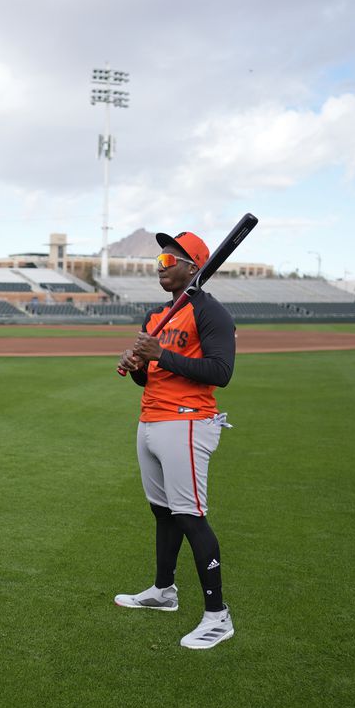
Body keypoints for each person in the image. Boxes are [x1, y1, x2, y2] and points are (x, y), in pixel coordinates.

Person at [114, 230, 237, 650]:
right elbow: (146, 377)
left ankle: (218, 616)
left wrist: (159, 354)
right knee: (163, 512)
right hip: (150, 420)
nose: (161, 268)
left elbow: (221, 371)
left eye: (170, 262)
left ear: (193, 267)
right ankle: (163, 592)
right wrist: (136, 364)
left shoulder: (210, 312)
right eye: (159, 263)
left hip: (187, 421)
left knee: (189, 515)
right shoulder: (155, 316)